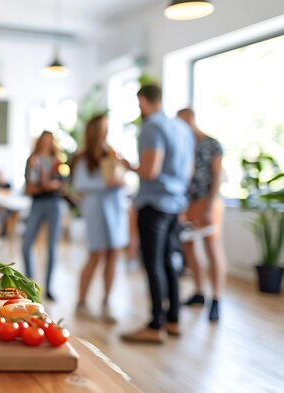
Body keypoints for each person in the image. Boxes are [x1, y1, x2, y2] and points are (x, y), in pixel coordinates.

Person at [121, 84, 194, 344]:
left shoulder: (152, 127)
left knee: (152, 263)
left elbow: (150, 171)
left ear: (142, 100)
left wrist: (128, 166)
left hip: (154, 204)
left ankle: (155, 325)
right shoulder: (182, 128)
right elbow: (188, 170)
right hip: (175, 203)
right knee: (169, 261)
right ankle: (173, 319)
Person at [71, 114, 128, 323]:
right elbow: (79, 185)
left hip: (115, 209)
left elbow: (120, 176)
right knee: (96, 255)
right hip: (96, 210)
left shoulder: (112, 153)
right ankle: (82, 302)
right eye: (104, 126)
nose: (107, 130)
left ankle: (106, 302)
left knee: (113, 254)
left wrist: (120, 179)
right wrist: (107, 184)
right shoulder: (83, 157)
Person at [177, 107, 226, 321]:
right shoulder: (185, 146)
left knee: (211, 247)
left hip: (208, 203)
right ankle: (199, 292)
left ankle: (216, 298)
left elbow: (216, 177)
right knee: (189, 247)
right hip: (189, 204)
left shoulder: (212, 144)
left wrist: (209, 204)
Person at [22, 131, 66, 301]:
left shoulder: (59, 161)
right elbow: (28, 188)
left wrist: (55, 185)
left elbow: (64, 186)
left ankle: (49, 288)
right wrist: (44, 187)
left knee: (52, 247)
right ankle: (30, 286)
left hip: (55, 204)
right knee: (26, 245)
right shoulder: (32, 160)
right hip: (37, 203)